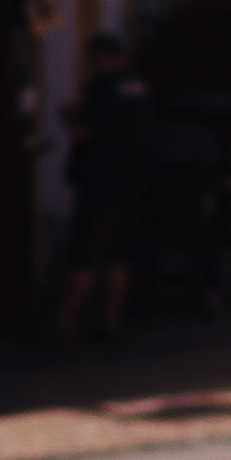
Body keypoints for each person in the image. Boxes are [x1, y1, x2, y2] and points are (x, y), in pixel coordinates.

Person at [57, 32, 151, 336]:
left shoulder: (104, 88)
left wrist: (68, 116)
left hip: (100, 185)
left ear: (100, 58)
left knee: (84, 254)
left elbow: (84, 131)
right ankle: (112, 320)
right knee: (119, 254)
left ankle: (65, 322)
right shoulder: (138, 87)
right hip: (131, 182)